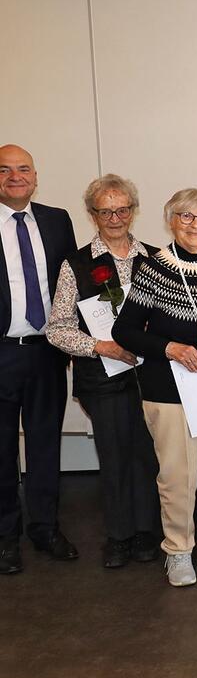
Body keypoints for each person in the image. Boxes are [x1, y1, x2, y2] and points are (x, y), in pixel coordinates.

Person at [112, 188, 197, 587]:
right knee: (178, 476)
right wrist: (168, 347)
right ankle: (177, 550)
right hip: (169, 389)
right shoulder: (152, 269)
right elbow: (125, 331)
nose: (196, 225)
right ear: (171, 221)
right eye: (186, 217)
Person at [47, 175, 160, 569]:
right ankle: (119, 536)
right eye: (105, 210)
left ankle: (149, 532)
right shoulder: (75, 264)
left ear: (134, 210)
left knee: (149, 455)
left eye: (122, 209)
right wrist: (102, 346)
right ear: (93, 214)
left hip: (152, 376)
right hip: (103, 375)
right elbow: (58, 328)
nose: (115, 217)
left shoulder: (156, 258)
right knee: (114, 454)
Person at [0, 144, 77, 575]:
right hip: (2, 353)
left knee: (46, 444)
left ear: (35, 176)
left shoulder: (56, 219)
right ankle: (5, 537)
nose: (15, 176)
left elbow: (71, 284)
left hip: (47, 352)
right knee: (2, 450)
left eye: (23, 169)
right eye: (5, 170)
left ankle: (45, 528)